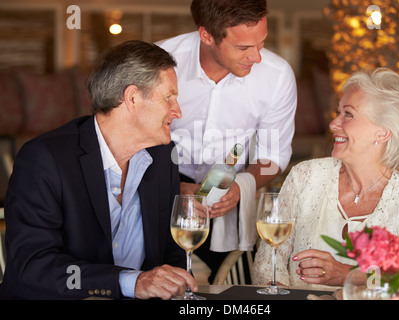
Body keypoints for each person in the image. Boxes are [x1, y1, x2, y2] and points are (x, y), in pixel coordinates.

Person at [0, 40, 198, 300]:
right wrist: (131, 282)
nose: (178, 111)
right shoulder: (44, 159)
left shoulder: (162, 156)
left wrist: (174, 281)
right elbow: (35, 265)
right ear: (132, 98)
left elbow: (171, 248)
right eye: (168, 97)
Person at [252, 68, 399, 300]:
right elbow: (268, 263)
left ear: (382, 132)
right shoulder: (305, 176)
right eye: (338, 112)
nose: (333, 124)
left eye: (347, 114)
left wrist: (345, 274)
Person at [157, 0, 297, 283]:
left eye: (261, 43)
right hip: (157, 185)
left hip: (227, 184)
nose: (257, 57)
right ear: (206, 35)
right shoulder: (160, 61)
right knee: (158, 278)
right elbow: (128, 142)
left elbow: (274, 157)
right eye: (244, 47)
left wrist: (240, 187)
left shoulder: (277, 75)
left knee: (234, 282)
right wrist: (172, 186)